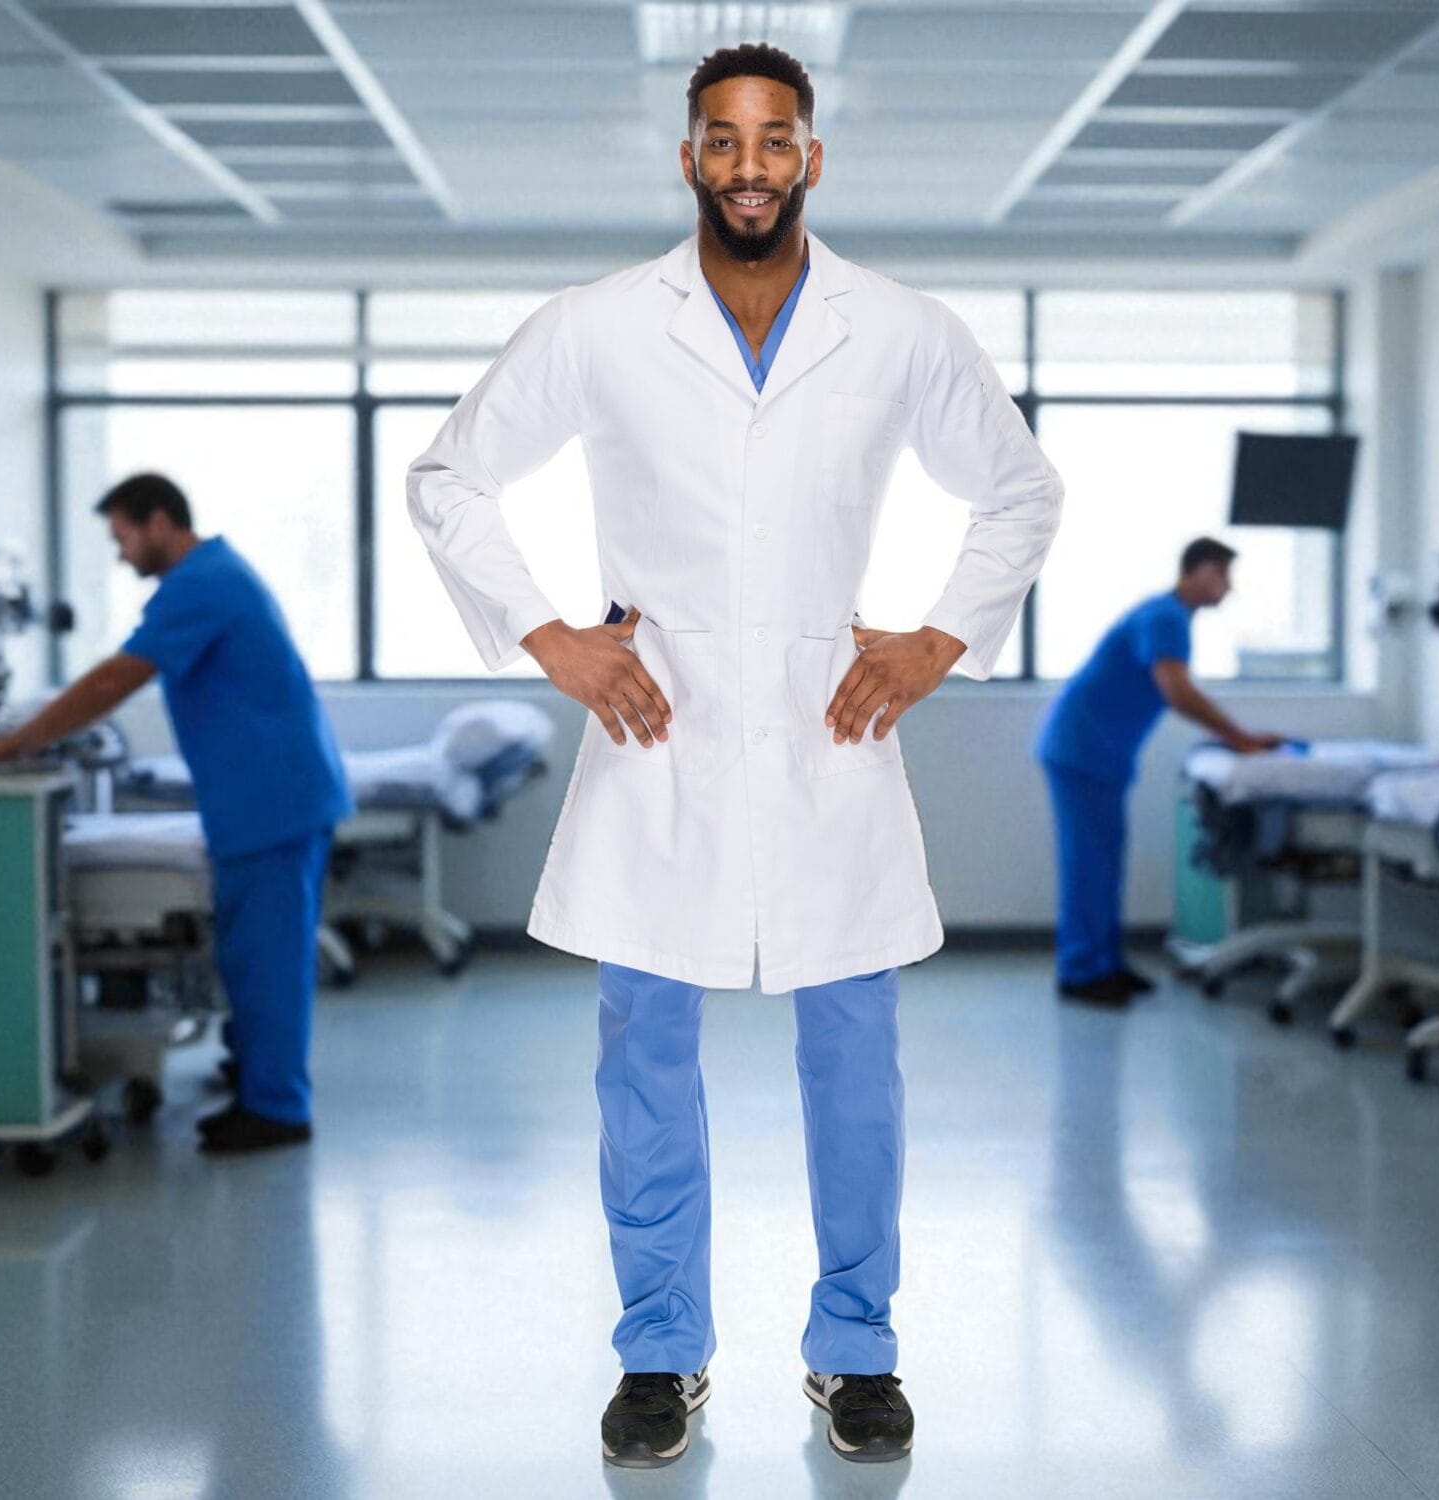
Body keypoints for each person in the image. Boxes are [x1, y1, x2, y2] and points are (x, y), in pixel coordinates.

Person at [406, 43, 1064, 1470]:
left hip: (834, 734)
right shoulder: (595, 325)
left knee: (856, 1064)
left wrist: (938, 640)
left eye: (776, 139)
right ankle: (659, 1353)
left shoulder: (898, 329)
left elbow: (1017, 491)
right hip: (663, 730)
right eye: (723, 139)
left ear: (813, 157)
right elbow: (448, 477)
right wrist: (549, 638)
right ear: (690, 158)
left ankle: (857, 1350)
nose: (750, 163)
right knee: (645, 1059)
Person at [0, 473, 352, 1152]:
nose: (121, 554)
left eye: (123, 536)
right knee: (258, 955)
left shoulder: (200, 583)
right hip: (270, 796)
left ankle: (276, 1110)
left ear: (159, 521)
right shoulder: (211, 574)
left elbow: (115, 678)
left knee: (266, 960)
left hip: (271, 801)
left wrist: (15, 741)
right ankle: (259, 1079)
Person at [1036, 537, 1284, 1007]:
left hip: (1097, 755)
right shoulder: (1167, 617)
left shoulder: (1169, 617)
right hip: (1081, 751)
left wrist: (1234, 736)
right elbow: (1177, 691)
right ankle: (1082, 972)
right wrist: (1240, 739)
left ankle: (1106, 962)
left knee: (1105, 862)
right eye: (1224, 575)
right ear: (1201, 571)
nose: (1228, 588)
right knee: (1089, 864)